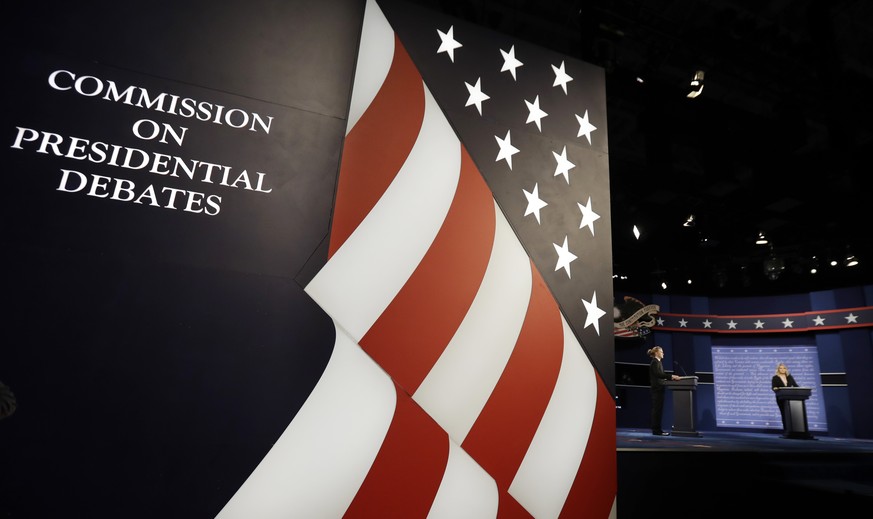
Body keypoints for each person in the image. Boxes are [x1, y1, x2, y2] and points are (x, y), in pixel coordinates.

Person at [648, 346, 679, 435]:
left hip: (659, 388)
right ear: (656, 353)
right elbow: (658, 374)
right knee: (657, 410)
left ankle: (658, 430)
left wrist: (666, 379)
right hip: (657, 389)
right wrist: (671, 376)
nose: (663, 353)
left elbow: (659, 376)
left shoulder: (658, 362)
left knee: (658, 410)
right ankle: (656, 430)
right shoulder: (655, 362)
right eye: (661, 352)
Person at [771, 362, 798, 431]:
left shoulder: (790, 377)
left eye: (784, 368)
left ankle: (794, 430)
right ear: (778, 369)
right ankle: (786, 430)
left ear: (786, 369)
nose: (782, 369)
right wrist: (776, 389)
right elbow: (773, 387)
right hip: (781, 398)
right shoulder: (775, 378)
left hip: (790, 398)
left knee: (792, 414)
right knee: (784, 413)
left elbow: (796, 386)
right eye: (781, 368)